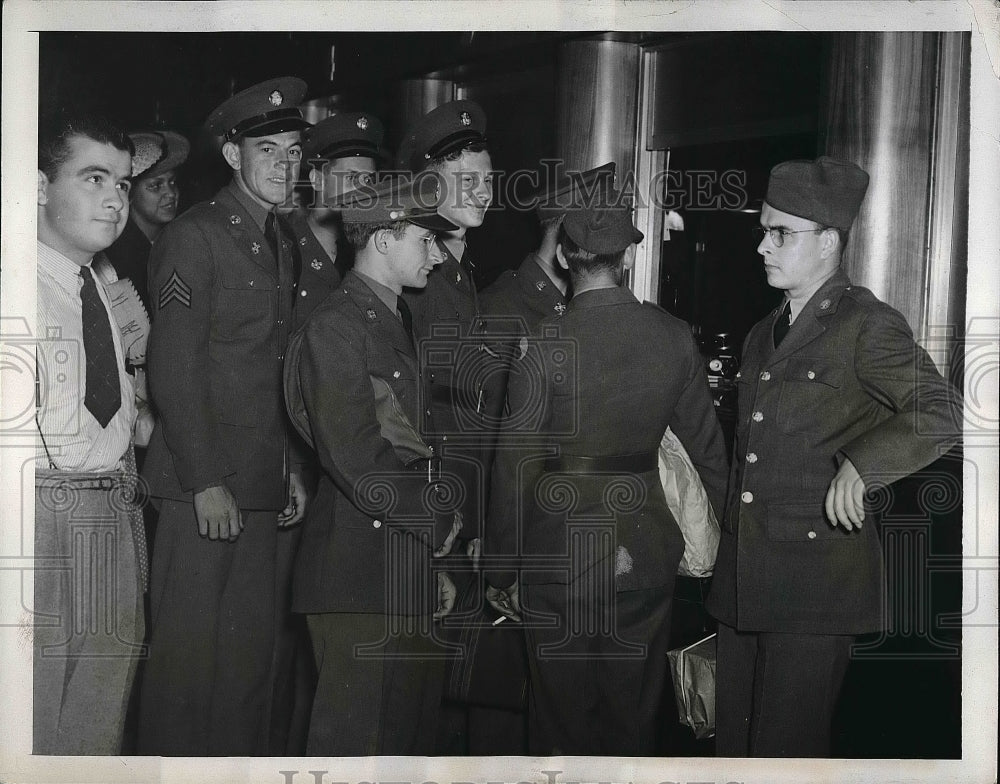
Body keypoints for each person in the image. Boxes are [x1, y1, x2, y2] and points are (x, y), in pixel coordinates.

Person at [705, 156, 964, 758]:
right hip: (745, 579)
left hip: (813, 587)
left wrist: (863, 463)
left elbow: (944, 409)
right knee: (729, 750)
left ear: (829, 243)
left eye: (782, 234)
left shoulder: (866, 325)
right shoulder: (762, 330)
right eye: (763, 231)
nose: (763, 247)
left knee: (784, 755)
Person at [485, 197, 729, 755]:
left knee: (559, 722)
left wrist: (500, 569)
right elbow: (710, 454)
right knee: (634, 718)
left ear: (567, 255)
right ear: (625, 257)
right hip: (643, 552)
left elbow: (513, 467)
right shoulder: (672, 336)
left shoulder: (543, 343)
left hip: (556, 556)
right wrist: (730, 546)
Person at [137, 77, 312, 756]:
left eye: (294, 153)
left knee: (247, 669)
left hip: (261, 485)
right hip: (199, 487)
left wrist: (288, 467)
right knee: (187, 669)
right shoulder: (195, 235)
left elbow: (275, 370)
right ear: (234, 155)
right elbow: (175, 368)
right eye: (268, 150)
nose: (284, 166)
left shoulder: (281, 239)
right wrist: (207, 479)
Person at [283, 174, 462, 755]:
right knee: (354, 749)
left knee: (404, 745)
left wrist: (431, 561)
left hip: (397, 561)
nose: (437, 254)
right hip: (357, 569)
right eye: (426, 239)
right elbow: (355, 452)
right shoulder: (337, 325)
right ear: (383, 239)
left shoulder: (387, 318)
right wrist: (436, 521)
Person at [34, 111, 145, 754]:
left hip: (108, 498)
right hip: (41, 507)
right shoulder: (20, 283)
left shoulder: (98, 282)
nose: (114, 198)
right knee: (34, 710)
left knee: (97, 708)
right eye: (94, 177)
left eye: (123, 183)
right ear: (40, 186)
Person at [396, 100, 494, 544]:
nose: (484, 192)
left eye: (488, 180)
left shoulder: (461, 267)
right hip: (431, 489)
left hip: (464, 479)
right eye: (468, 181)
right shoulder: (417, 276)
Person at [289, 111, 385, 329]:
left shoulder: (373, 250)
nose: (364, 191)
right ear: (317, 180)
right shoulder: (285, 246)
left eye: (368, 180)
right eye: (351, 178)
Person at [104, 130, 189, 312]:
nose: (170, 193)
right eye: (155, 186)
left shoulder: (177, 241)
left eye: (172, 182)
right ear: (129, 195)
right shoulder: (118, 256)